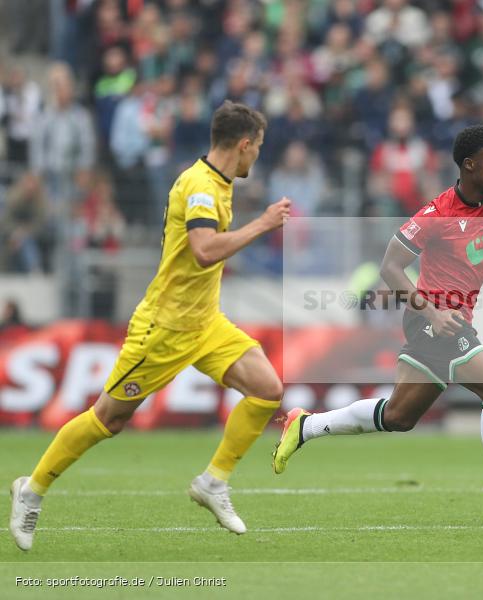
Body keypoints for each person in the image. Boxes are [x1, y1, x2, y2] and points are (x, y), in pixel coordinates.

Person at [9, 101, 292, 551]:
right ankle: (32, 488)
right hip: (163, 329)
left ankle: (213, 482)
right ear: (242, 145)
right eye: (256, 147)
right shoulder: (200, 187)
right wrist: (263, 224)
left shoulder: (217, 180)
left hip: (204, 322)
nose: (256, 156)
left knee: (267, 389)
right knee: (108, 419)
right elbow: (202, 250)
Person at [272, 125, 483, 520]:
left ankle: (305, 426)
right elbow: (390, 268)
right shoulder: (436, 214)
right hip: (432, 320)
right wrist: (432, 312)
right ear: (470, 166)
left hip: (453, 320)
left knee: (398, 416)